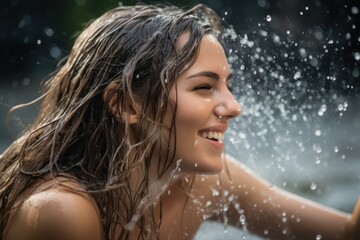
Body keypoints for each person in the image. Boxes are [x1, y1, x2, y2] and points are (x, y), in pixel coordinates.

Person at [0, 3, 359, 240]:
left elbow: (346, 232)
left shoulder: (202, 185)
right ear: (126, 104)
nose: (233, 107)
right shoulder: (63, 212)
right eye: (204, 86)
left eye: (227, 86)